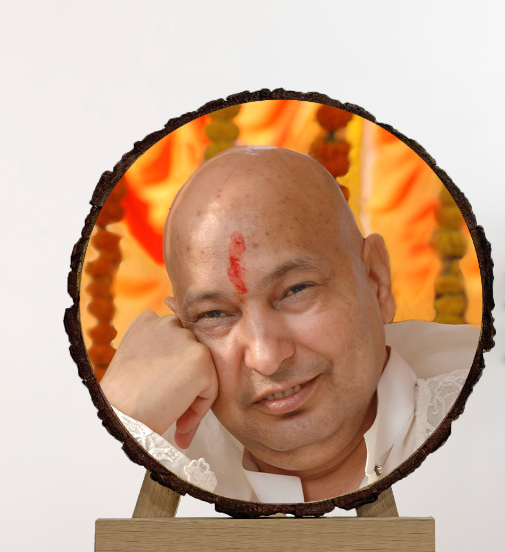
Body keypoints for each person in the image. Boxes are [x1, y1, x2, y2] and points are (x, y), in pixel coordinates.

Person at [100, 145, 479, 503]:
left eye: (296, 290)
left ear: (375, 279)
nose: (266, 358)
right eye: (214, 315)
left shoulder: (497, 395)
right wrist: (119, 416)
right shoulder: (155, 444)